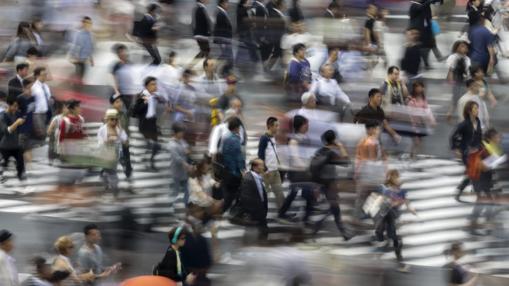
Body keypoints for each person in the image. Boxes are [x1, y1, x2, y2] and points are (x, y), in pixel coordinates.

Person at [311, 130, 353, 240]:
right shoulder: (331, 154)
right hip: (330, 185)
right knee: (335, 209)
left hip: (321, 184)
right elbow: (347, 162)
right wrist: (341, 147)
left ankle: (343, 234)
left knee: (334, 209)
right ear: (334, 140)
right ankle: (317, 228)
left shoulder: (319, 151)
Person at [374, 169, 417, 272]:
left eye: (398, 177)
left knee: (396, 240)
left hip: (393, 217)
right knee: (379, 231)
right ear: (391, 178)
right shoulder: (386, 189)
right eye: (395, 177)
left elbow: (405, 201)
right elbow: (382, 199)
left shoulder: (400, 190)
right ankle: (382, 248)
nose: (398, 179)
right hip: (385, 215)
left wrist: (411, 209)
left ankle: (401, 264)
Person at [278, 115, 316, 224]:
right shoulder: (294, 140)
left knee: (303, 194)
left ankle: (303, 217)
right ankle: (304, 218)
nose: (307, 126)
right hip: (296, 173)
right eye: (306, 124)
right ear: (300, 126)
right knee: (301, 194)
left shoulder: (305, 138)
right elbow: (295, 157)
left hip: (302, 173)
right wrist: (305, 167)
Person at [467, 128, 502, 235]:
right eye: (497, 137)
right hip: (478, 178)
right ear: (491, 138)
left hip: (485, 178)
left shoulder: (492, 148)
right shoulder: (483, 149)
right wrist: (493, 163)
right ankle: (475, 224)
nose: (499, 139)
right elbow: (481, 166)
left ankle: (483, 222)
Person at [451, 101, 483, 201]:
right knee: (473, 173)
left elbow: (479, 137)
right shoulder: (464, 124)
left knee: (473, 173)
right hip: (467, 154)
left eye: (477, 108)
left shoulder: (478, 122)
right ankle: (478, 193)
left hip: (477, 152)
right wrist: (456, 148)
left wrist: (481, 147)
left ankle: (462, 189)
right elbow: (453, 136)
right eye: (475, 108)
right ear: (469, 111)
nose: (477, 110)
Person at [354, 121, 385, 221]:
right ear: (371, 130)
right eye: (377, 129)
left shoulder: (362, 141)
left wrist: (357, 173)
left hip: (364, 174)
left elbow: (359, 159)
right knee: (380, 194)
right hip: (370, 175)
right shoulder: (372, 142)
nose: (379, 131)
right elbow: (372, 159)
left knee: (361, 198)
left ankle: (360, 216)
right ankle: (367, 214)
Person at [132, 77, 163, 171]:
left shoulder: (154, 95)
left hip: (152, 123)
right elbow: (135, 111)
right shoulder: (142, 96)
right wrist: (146, 101)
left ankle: (146, 159)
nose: (155, 86)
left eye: (155, 84)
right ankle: (149, 163)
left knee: (156, 146)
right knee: (154, 145)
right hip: (145, 124)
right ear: (146, 86)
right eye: (152, 84)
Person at [97, 109, 128, 198]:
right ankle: (114, 189)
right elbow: (99, 142)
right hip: (105, 153)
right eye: (112, 119)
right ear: (107, 119)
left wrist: (121, 131)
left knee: (110, 171)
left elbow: (125, 140)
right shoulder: (102, 130)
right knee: (112, 173)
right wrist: (107, 141)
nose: (114, 121)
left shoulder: (118, 129)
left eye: (115, 119)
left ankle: (106, 179)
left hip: (116, 154)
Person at [257, 117, 285, 211]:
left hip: (275, 171)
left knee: (280, 194)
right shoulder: (264, 139)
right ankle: (259, 214)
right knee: (262, 196)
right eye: (276, 126)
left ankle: (282, 214)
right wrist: (264, 170)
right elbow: (260, 156)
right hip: (267, 173)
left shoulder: (273, 137)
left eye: (278, 126)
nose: (278, 128)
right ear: (269, 126)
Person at [236, 158, 269, 237]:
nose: (263, 167)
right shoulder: (248, 179)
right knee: (257, 234)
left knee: (262, 233)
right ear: (254, 167)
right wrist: (253, 212)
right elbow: (245, 197)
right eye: (261, 165)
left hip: (260, 210)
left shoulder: (258, 177)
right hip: (254, 212)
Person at [187, 155, 223, 222]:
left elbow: (209, 180)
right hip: (197, 206)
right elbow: (200, 193)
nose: (209, 169)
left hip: (206, 203)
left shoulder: (206, 174)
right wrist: (214, 201)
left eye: (209, 167)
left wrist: (215, 183)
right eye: (207, 167)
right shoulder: (193, 179)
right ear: (201, 167)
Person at [221, 117, 245, 213]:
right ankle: (226, 210)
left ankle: (227, 209)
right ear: (236, 127)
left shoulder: (226, 137)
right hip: (234, 171)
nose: (239, 129)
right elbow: (238, 157)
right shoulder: (235, 139)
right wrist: (242, 170)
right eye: (239, 127)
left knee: (230, 192)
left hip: (227, 169)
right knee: (236, 192)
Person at [406, 81, 436, 158]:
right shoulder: (411, 99)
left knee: (418, 141)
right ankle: (412, 156)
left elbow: (427, 110)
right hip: (412, 124)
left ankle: (412, 155)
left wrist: (431, 120)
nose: (419, 89)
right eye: (417, 87)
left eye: (420, 87)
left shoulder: (423, 98)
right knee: (416, 141)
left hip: (420, 124)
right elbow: (409, 112)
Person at [0, 97, 26, 182]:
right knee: (4, 164)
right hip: (5, 146)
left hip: (15, 145)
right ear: (8, 105)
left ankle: (21, 175)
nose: (16, 108)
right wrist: (17, 123)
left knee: (20, 161)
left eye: (17, 106)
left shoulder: (15, 114)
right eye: (14, 106)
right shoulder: (3, 116)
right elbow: (7, 131)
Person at [168, 123, 193, 204]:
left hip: (184, 172)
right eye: (181, 132)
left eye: (183, 132)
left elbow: (188, 149)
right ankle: (169, 206)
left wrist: (188, 151)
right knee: (175, 191)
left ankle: (186, 209)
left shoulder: (182, 141)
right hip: (176, 172)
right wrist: (186, 165)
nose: (183, 134)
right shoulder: (171, 144)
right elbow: (177, 158)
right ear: (175, 133)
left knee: (187, 190)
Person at [110, 93, 132, 182]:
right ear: (112, 104)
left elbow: (126, 128)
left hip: (124, 144)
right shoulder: (109, 116)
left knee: (128, 166)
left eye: (120, 102)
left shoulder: (123, 114)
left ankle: (129, 181)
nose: (120, 104)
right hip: (114, 145)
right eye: (117, 102)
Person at [446, 40, 471, 121]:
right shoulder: (453, 57)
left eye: (466, 47)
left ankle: (464, 116)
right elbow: (450, 70)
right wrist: (451, 80)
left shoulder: (467, 59)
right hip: (456, 80)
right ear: (456, 48)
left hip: (464, 80)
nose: (464, 48)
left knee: (465, 98)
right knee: (455, 98)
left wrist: (469, 80)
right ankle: (450, 113)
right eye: (462, 46)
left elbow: (468, 71)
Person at [408, 0, 436, 69]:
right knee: (419, 47)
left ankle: (425, 62)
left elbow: (428, 15)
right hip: (417, 30)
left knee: (427, 46)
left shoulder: (423, 5)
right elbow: (420, 8)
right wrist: (429, 1)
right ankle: (419, 62)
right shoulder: (414, 5)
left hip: (425, 29)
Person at [16, 77, 36, 169]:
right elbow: (16, 113)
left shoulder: (32, 98)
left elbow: (32, 112)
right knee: (22, 148)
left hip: (30, 127)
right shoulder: (19, 99)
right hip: (22, 129)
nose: (31, 89)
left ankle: (30, 167)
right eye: (29, 87)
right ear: (24, 88)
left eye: (32, 87)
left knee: (29, 147)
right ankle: (27, 166)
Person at [111, 44, 137, 111]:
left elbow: (134, 78)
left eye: (122, 51)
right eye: (119, 52)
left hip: (129, 93)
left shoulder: (131, 64)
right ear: (117, 55)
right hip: (119, 92)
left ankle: (126, 121)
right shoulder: (116, 65)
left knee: (129, 111)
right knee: (117, 110)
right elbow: (114, 79)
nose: (121, 54)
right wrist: (116, 91)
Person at [69, 16, 94, 82]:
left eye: (90, 23)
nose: (88, 24)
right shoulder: (79, 34)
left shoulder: (90, 35)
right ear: (83, 24)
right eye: (86, 23)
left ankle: (77, 85)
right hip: (78, 60)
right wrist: (74, 57)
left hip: (85, 60)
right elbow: (75, 46)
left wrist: (91, 59)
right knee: (79, 76)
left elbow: (90, 47)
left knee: (82, 77)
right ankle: (75, 86)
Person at [31, 67, 52, 142]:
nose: (45, 76)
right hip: (38, 114)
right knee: (41, 133)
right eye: (43, 75)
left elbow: (49, 98)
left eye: (46, 74)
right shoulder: (34, 87)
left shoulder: (46, 86)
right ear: (37, 76)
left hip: (47, 112)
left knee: (49, 132)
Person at [213, 0, 234, 76]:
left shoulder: (222, 12)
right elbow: (219, 29)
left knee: (226, 56)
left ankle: (223, 71)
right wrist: (222, 41)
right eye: (226, 3)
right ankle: (225, 72)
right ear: (222, 3)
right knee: (228, 57)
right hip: (224, 40)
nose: (228, 5)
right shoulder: (220, 13)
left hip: (226, 40)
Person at [266, 0, 287, 72]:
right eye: (284, 4)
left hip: (281, 38)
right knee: (278, 53)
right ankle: (267, 69)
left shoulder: (279, 13)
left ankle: (268, 69)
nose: (285, 6)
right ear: (280, 5)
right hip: (278, 38)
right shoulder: (274, 13)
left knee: (278, 54)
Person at [191, 0, 212, 67]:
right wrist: (209, 32)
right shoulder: (200, 8)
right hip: (202, 35)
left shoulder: (199, 8)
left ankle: (190, 67)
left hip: (201, 35)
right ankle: (189, 68)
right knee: (206, 52)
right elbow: (205, 23)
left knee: (204, 52)